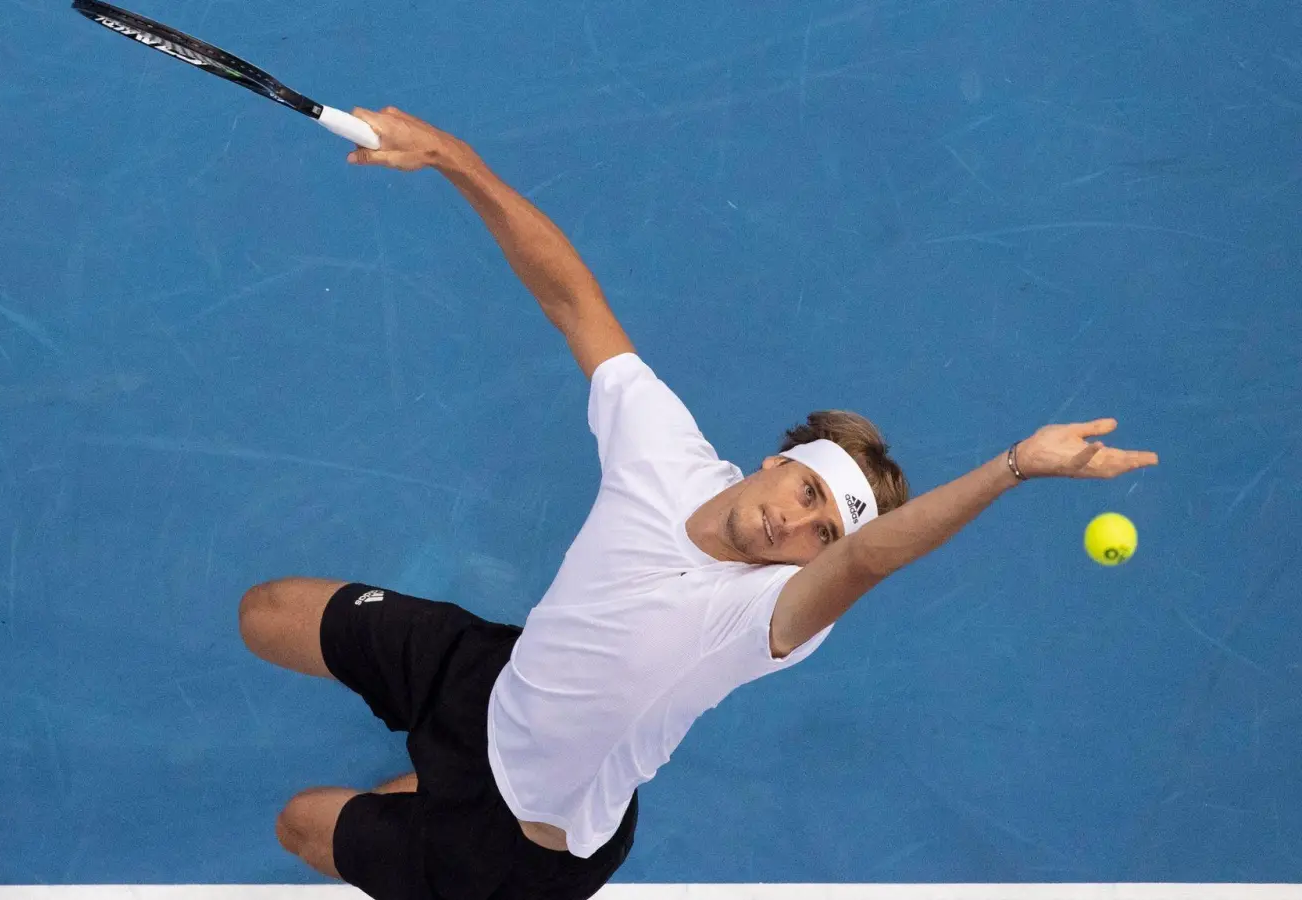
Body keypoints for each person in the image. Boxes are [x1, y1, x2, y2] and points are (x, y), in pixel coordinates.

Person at [237, 108, 1159, 900]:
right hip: (495, 682)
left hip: (516, 840)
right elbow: (571, 301)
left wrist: (1011, 467)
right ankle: (431, 770)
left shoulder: (768, 616)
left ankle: (428, 806)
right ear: (773, 463)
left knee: (301, 825)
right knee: (264, 613)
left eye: (822, 532)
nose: (795, 525)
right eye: (805, 491)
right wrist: (453, 159)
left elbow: (876, 556)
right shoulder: (666, 455)